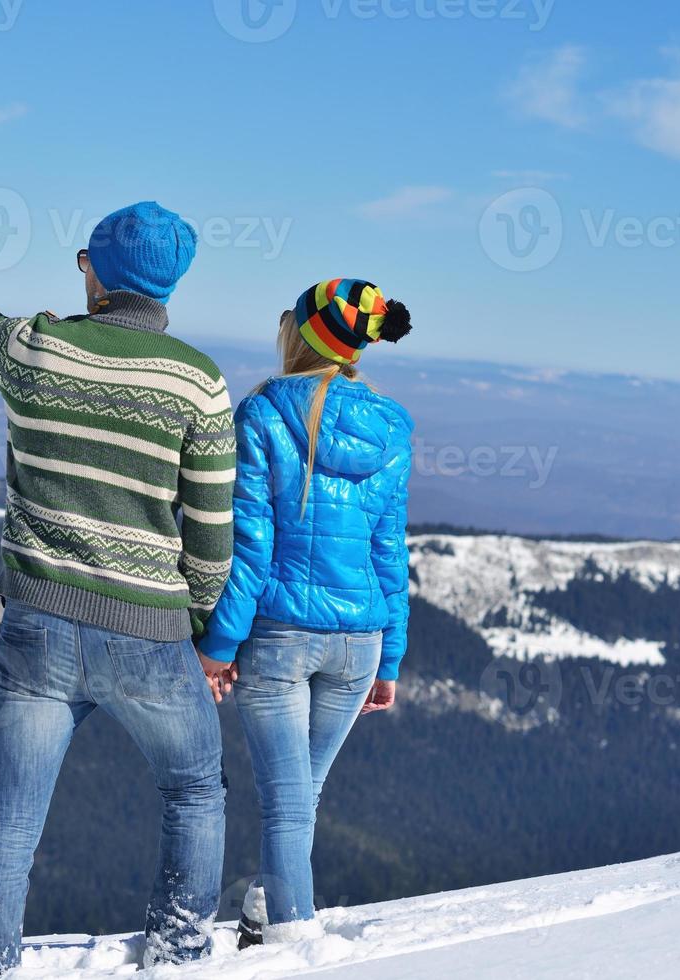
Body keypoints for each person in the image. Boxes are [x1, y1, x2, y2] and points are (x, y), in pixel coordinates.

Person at [0, 202, 237, 978]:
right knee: (194, 794)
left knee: (5, 825)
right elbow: (210, 537)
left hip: (38, 622)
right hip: (151, 630)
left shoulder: (35, 346)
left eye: (83, 259)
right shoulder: (198, 383)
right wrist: (205, 637)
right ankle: (176, 958)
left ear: (96, 274)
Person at [194, 279, 415, 947]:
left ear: (298, 335)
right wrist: (393, 655)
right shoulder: (393, 427)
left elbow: (249, 545)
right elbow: (389, 549)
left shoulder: (261, 414)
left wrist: (219, 644)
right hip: (360, 640)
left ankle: (295, 942)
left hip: (280, 636)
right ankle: (265, 909)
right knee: (301, 796)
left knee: (288, 802)